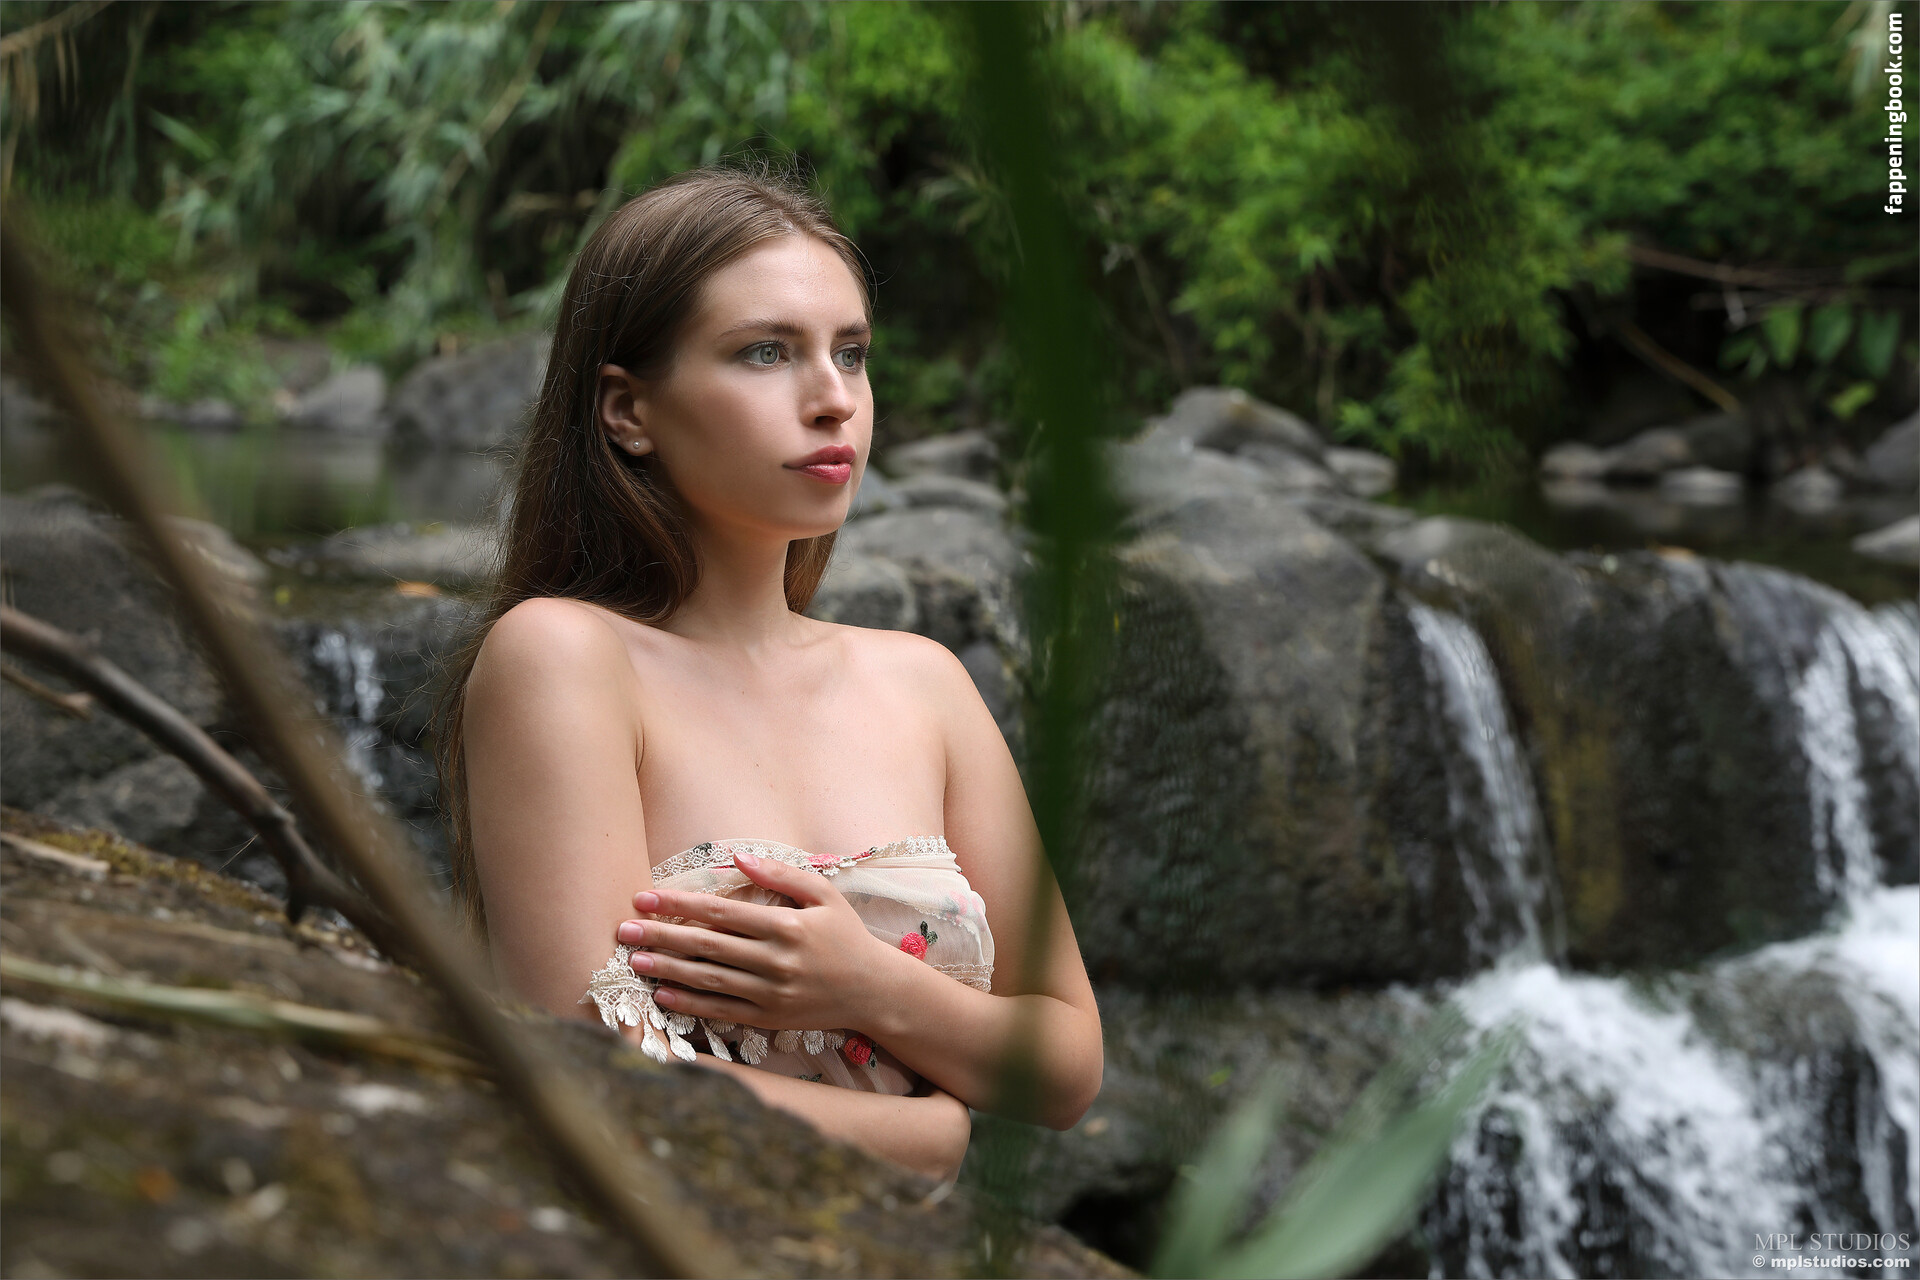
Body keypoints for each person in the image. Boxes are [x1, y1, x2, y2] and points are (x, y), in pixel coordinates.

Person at [432, 165, 1103, 1183]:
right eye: (765, 352)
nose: (834, 400)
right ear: (627, 410)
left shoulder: (924, 684)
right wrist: (924, 1135)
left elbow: (1066, 1061)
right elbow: (585, 1064)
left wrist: (869, 985)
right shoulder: (565, 658)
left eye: (851, 353)